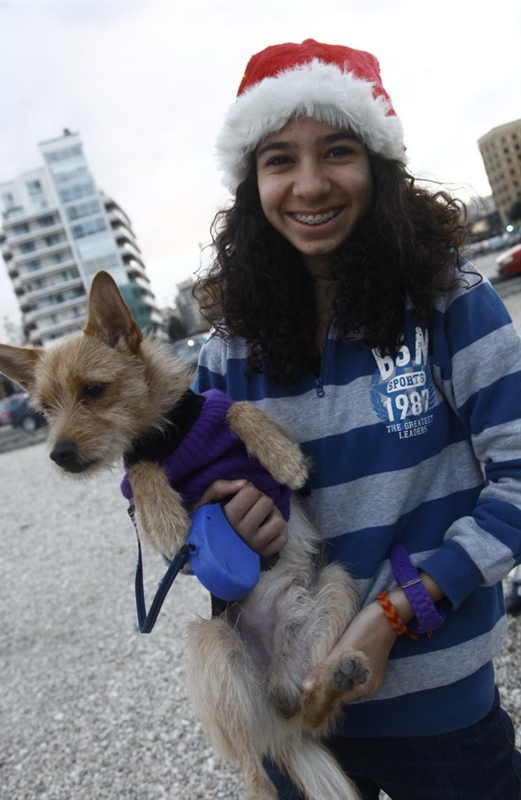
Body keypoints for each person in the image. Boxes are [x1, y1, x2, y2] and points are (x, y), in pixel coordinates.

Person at [191, 39, 521, 799]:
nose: (309, 185)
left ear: (378, 164)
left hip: (442, 718)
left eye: (336, 151)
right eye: (278, 160)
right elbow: (193, 546)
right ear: (252, 182)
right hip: (290, 721)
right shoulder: (223, 356)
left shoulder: (450, 305)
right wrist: (224, 529)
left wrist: (396, 614)